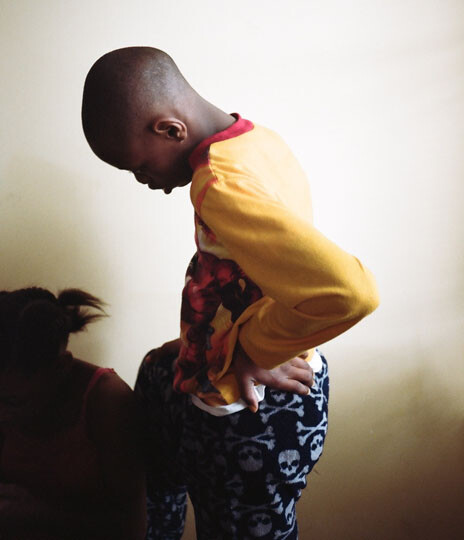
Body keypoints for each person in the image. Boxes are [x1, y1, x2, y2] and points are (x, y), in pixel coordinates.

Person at [81, 46, 379, 540]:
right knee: (154, 377)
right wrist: (204, 343)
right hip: (258, 388)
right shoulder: (256, 141)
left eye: (139, 167)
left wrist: (252, 349)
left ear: (170, 130)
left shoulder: (218, 183)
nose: (144, 181)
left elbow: (350, 292)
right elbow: (251, 272)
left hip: (250, 412)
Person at [0, 287, 147, 540]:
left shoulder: (107, 402)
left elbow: (130, 527)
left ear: (61, 368)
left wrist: (34, 513)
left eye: (11, 402)